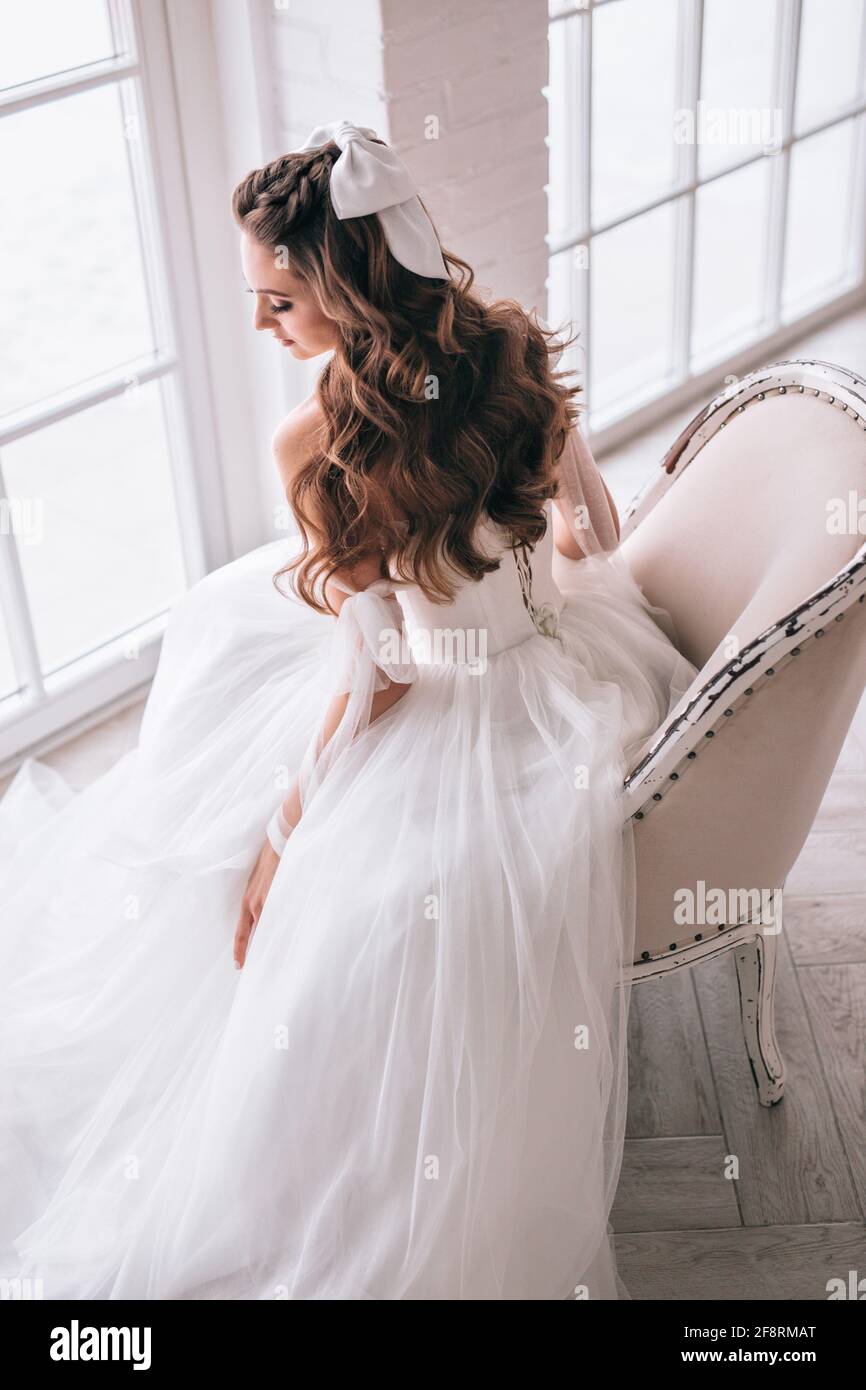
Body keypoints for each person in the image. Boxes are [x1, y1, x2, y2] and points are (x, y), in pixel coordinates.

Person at [0, 121, 697, 1300]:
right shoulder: (509, 345)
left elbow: (371, 680)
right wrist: (536, 548)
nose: (262, 325)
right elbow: (594, 535)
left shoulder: (313, 439)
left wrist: (284, 834)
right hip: (565, 659)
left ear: (337, 283)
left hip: (442, 703)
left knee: (274, 883)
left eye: (277, 300)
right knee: (223, 646)